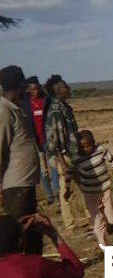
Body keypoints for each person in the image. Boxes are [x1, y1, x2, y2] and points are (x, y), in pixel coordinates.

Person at [0, 65, 42, 254]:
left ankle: (34, 267)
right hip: (15, 185)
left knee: (32, 232)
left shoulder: (16, 108)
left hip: (25, 183)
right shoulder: (4, 111)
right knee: (20, 234)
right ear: (19, 85)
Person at [72, 130, 113, 246]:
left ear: (93, 142)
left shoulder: (100, 150)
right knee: (97, 221)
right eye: (83, 147)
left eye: (88, 146)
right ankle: (104, 246)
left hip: (105, 190)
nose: (86, 149)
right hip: (89, 194)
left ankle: (110, 223)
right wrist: (67, 188)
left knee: (111, 218)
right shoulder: (76, 159)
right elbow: (70, 173)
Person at [45, 74, 80, 230]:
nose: (68, 88)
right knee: (66, 189)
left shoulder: (65, 108)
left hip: (74, 154)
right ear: (58, 90)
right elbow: (54, 143)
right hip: (65, 156)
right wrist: (63, 164)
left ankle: (92, 216)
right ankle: (69, 223)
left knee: (82, 186)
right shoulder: (56, 112)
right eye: (65, 86)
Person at [22, 76, 59, 205]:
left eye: (37, 88)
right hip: (35, 142)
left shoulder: (47, 100)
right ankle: (49, 196)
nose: (36, 91)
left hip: (48, 140)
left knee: (54, 167)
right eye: (32, 89)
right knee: (43, 171)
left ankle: (57, 193)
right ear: (27, 90)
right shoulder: (24, 104)